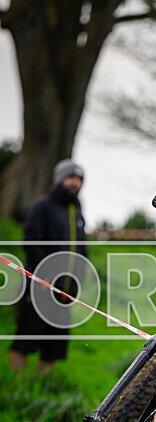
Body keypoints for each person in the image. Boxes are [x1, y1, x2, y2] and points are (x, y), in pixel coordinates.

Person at [9, 159, 87, 372]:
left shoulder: (77, 213)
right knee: (25, 340)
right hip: (39, 288)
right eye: (71, 178)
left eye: (79, 179)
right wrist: (47, 277)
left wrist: (78, 280)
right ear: (60, 179)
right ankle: (16, 386)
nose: (75, 183)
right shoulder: (41, 207)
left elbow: (82, 250)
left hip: (65, 294)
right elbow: (31, 244)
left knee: (54, 347)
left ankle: (43, 388)